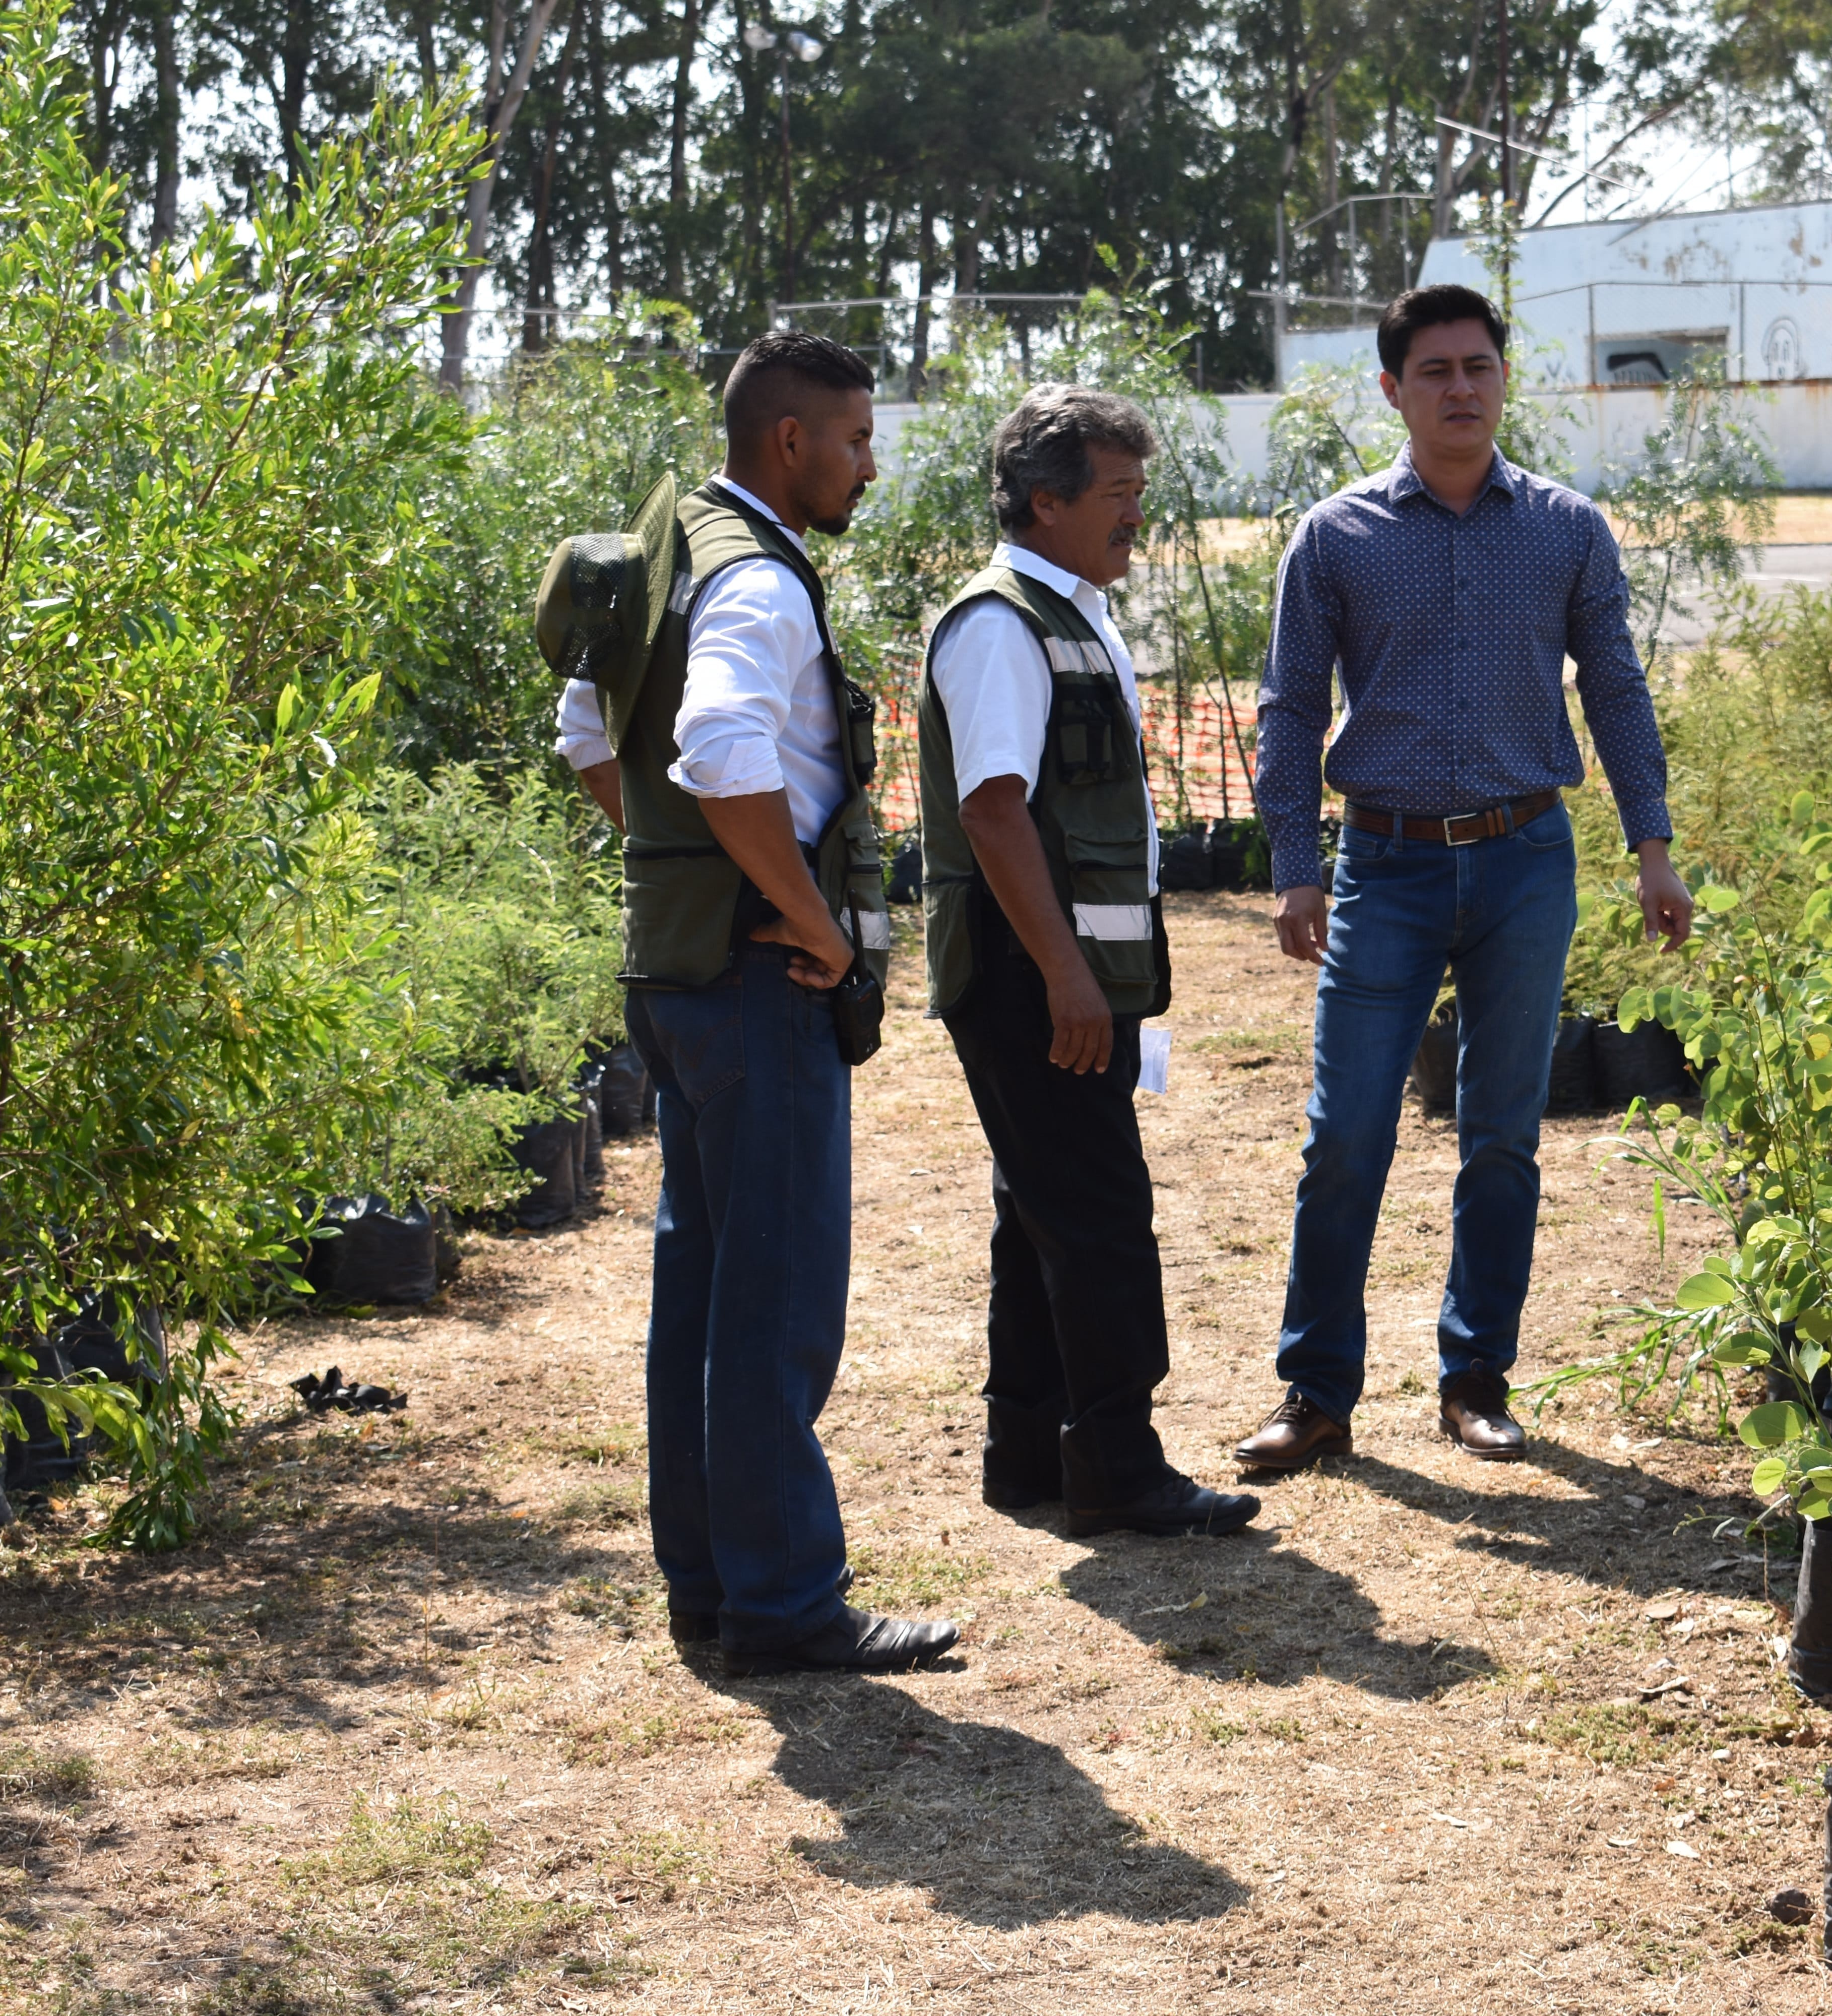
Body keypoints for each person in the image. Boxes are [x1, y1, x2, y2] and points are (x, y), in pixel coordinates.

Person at [553, 330, 960, 1676]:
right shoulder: (759, 586)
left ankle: (715, 1592)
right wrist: (797, 916)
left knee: (707, 1292)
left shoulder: (672, 549)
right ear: (789, 442)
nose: (868, 463)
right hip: (754, 983)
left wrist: (680, 865)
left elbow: (588, 738)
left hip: (673, 972)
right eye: (854, 439)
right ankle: (786, 1606)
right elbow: (720, 750)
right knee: (777, 1306)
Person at [1237, 285, 1693, 1474]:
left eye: (1479, 365)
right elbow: (1287, 709)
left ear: (1505, 378)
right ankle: (1316, 1391)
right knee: (1346, 1133)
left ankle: (1475, 1376)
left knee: (1502, 1134)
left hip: (1524, 858)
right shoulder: (1335, 539)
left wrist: (1652, 845)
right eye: (1434, 369)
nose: (1460, 388)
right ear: (1393, 389)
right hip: (1381, 864)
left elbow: (1618, 690)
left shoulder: (1565, 528)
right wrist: (1296, 869)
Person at [915, 383, 1260, 1539]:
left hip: (1066, 970)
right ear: (1045, 500)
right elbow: (996, 812)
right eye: (1117, 496)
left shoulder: (1066, 608)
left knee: (1043, 1209)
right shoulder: (1002, 624)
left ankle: (1030, 1449)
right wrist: (1066, 976)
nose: (1135, 518)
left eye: (1138, 494)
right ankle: (1119, 1460)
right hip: (1032, 976)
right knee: (1102, 1212)